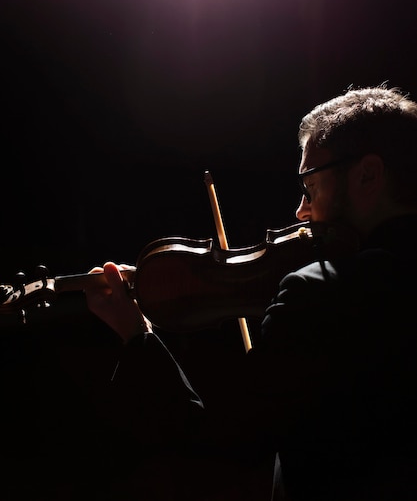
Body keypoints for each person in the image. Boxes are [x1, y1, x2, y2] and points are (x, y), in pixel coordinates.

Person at [83, 84, 417, 501]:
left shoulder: (319, 294)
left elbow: (213, 444)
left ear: (368, 174)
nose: (301, 211)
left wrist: (137, 336)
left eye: (309, 186)